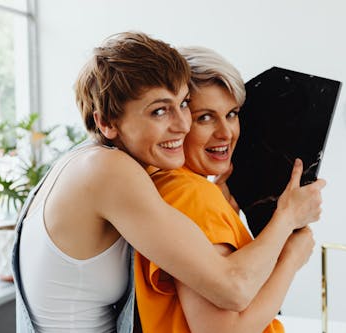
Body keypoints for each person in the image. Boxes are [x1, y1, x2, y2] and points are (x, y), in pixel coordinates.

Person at [12, 32, 325, 333]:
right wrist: (287, 223)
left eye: (185, 104)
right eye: (159, 111)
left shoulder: (82, 163)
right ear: (105, 122)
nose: (182, 125)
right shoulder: (109, 171)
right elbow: (234, 289)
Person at [135, 46, 323, 333]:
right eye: (205, 117)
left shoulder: (175, 187)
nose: (226, 132)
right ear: (177, 123)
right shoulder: (192, 194)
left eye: (232, 114)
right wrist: (290, 255)